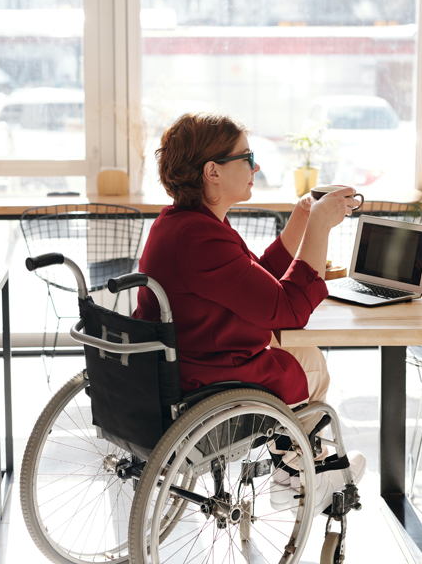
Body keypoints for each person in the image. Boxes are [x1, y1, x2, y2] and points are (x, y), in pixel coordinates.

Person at [134, 112, 365, 515]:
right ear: (212, 172)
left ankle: (290, 466)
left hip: (182, 362)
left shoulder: (182, 224)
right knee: (311, 364)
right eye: (246, 157)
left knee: (304, 356)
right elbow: (288, 309)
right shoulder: (200, 238)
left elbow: (254, 283)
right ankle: (298, 476)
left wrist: (301, 221)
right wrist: (321, 230)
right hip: (208, 377)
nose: (255, 166)